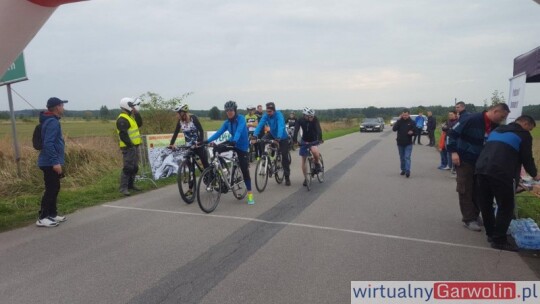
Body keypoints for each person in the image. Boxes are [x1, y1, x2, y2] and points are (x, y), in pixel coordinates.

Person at [475, 115, 540, 251]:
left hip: (481, 170)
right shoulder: (524, 135)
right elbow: (527, 158)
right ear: (526, 124)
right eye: (530, 128)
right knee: (506, 207)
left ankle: (491, 234)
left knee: (486, 204)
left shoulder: (497, 130)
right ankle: (499, 240)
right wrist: (535, 175)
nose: (530, 131)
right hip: (502, 174)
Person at [447, 103, 510, 231]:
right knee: (465, 188)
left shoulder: (495, 126)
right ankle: (468, 219)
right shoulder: (471, 119)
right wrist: (453, 152)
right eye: (502, 116)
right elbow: (452, 134)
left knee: (478, 189)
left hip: (481, 162)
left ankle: (475, 215)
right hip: (464, 159)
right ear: (495, 111)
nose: (502, 119)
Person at [205, 101, 255, 205]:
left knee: (244, 169)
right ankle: (224, 170)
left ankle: (250, 193)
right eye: (227, 110)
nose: (229, 112)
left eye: (231, 110)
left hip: (242, 146)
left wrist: (234, 140)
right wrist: (206, 141)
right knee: (216, 149)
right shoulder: (227, 122)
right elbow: (219, 133)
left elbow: (239, 131)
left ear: (235, 110)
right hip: (233, 141)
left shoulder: (241, 119)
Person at [36, 97, 68, 227]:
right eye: (62, 105)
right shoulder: (52, 122)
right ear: (57, 107)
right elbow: (48, 143)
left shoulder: (50, 120)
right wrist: (55, 162)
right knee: (51, 189)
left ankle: (52, 214)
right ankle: (42, 217)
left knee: (55, 188)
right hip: (49, 162)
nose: (63, 108)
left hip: (50, 161)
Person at [168, 103, 209, 194]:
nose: (176, 115)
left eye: (177, 113)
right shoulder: (180, 122)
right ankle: (191, 189)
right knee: (191, 168)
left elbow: (201, 130)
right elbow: (175, 133)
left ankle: (212, 178)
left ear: (182, 113)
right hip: (189, 146)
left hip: (198, 145)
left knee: (205, 164)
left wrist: (200, 142)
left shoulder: (193, 118)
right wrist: (171, 144)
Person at [252, 102, 291, 185]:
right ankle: (265, 157)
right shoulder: (266, 115)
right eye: (267, 111)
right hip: (272, 134)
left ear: (274, 110)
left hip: (282, 137)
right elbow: (260, 124)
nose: (268, 113)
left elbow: (281, 126)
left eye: (270, 111)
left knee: (284, 156)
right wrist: (255, 135)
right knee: (262, 140)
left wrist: (278, 138)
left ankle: (287, 177)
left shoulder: (278, 115)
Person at [116, 97, 143, 196]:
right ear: (126, 105)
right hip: (128, 147)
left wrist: (136, 113)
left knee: (135, 167)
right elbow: (123, 134)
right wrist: (130, 145)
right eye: (131, 106)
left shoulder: (130, 117)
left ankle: (131, 185)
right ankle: (123, 188)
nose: (133, 107)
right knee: (128, 167)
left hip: (135, 146)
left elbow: (139, 124)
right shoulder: (122, 119)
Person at [293, 107, 323, 186]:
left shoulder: (315, 119)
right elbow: (296, 130)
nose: (311, 118)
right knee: (303, 159)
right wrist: (295, 141)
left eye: (312, 116)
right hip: (304, 140)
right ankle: (306, 178)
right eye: (310, 116)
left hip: (313, 139)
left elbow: (318, 129)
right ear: (305, 115)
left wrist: (320, 139)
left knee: (314, 151)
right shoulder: (300, 120)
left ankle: (317, 163)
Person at [392, 109, 415, 178]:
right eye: (403, 115)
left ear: (408, 115)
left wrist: (412, 132)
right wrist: (398, 120)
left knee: (407, 157)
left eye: (406, 115)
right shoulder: (399, 121)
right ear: (402, 115)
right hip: (400, 143)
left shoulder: (412, 122)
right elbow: (394, 129)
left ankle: (408, 171)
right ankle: (403, 169)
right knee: (402, 157)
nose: (405, 116)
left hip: (408, 143)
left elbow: (416, 131)